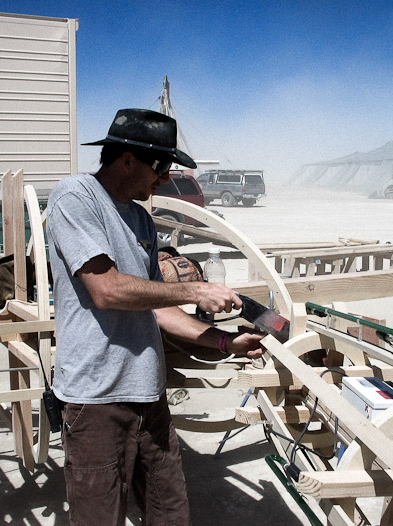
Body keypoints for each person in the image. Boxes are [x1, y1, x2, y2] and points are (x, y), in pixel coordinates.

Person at [46, 108, 264, 526]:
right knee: (99, 516)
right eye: (161, 166)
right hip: (96, 401)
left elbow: (159, 308)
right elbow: (105, 289)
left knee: (170, 512)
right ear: (127, 159)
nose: (164, 178)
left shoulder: (141, 218)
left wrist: (222, 342)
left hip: (149, 396)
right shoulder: (76, 196)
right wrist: (194, 289)